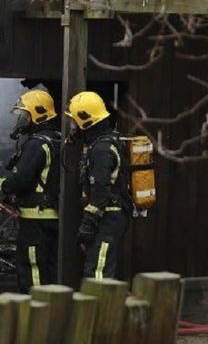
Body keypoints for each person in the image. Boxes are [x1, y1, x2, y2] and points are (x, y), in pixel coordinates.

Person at [0, 89, 62, 291]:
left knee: (33, 267)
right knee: (49, 268)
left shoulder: (37, 144)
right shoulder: (57, 139)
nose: (22, 120)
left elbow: (19, 180)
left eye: (26, 115)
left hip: (36, 222)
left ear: (38, 115)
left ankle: (36, 312)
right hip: (52, 217)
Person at [65, 91, 131, 279]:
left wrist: (88, 226)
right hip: (109, 217)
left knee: (98, 272)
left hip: (108, 218)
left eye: (75, 121)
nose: (74, 127)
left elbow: (100, 193)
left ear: (86, 121)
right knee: (97, 266)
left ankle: (101, 309)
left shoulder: (101, 150)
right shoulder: (102, 143)